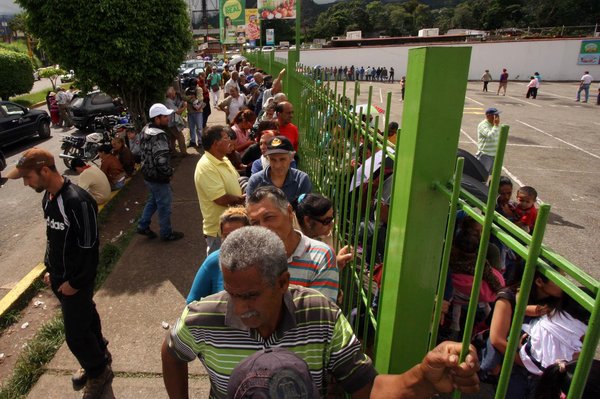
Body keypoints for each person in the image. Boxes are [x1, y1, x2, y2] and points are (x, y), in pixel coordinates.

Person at [161, 226, 480, 399]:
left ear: (283, 282)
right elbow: (172, 351)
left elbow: (369, 389)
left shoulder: (321, 316)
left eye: (251, 296)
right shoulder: (203, 317)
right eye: (233, 294)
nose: (240, 308)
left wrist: (423, 377)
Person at [6, 148, 113, 398]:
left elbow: (90, 248)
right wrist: (49, 269)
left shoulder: (78, 201)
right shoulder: (49, 198)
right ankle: (100, 354)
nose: (25, 183)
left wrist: (75, 283)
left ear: (45, 171)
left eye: (27, 177)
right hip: (59, 277)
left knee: (75, 336)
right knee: (86, 317)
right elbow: (53, 238)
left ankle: (98, 371)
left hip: (76, 281)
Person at [246, 186, 337, 301]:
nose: (263, 227)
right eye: (255, 223)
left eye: (269, 217)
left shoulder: (321, 256)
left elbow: (319, 314)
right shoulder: (248, 259)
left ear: (289, 212)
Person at [194, 125, 245, 255]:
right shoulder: (206, 167)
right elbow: (220, 199)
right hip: (220, 230)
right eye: (226, 138)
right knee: (219, 267)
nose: (230, 141)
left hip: (233, 224)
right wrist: (243, 199)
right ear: (216, 143)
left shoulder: (224, 159)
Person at [137, 103, 184, 241]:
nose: (168, 118)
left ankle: (143, 225)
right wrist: (169, 172)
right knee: (164, 205)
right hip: (158, 177)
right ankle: (166, 233)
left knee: (153, 200)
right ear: (157, 119)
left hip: (147, 174)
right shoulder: (160, 135)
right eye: (165, 116)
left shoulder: (145, 129)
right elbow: (161, 161)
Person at [186, 206, 250, 303]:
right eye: (226, 235)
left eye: (238, 234)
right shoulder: (213, 261)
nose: (231, 240)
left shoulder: (264, 260)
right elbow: (191, 303)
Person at [245, 136, 311, 203]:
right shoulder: (255, 181)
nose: (277, 165)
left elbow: (304, 211)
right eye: (273, 159)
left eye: (282, 159)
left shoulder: (302, 180)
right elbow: (250, 209)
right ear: (267, 158)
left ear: (291, 157)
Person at [476, 107, 501, 174]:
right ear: (488, 116)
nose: (497, 117)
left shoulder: (496, 125)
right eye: (495, 115)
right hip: (485, 154)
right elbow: (490, 136)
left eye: (497, 115)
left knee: (494, 174)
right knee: (482, 175)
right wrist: (496, 125)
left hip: (494, 155)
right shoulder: (483, 125)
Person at [164, 87, 188, 156]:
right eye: (173, 91)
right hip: (172, 123)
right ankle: (183, 153)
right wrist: (185, 107)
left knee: (172, 138)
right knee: (180, 137)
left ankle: (173, 152)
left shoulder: (170, 101)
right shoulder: (168, 101)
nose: (175, 92)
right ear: (170, 93)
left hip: (170, 122)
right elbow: (177, 112)